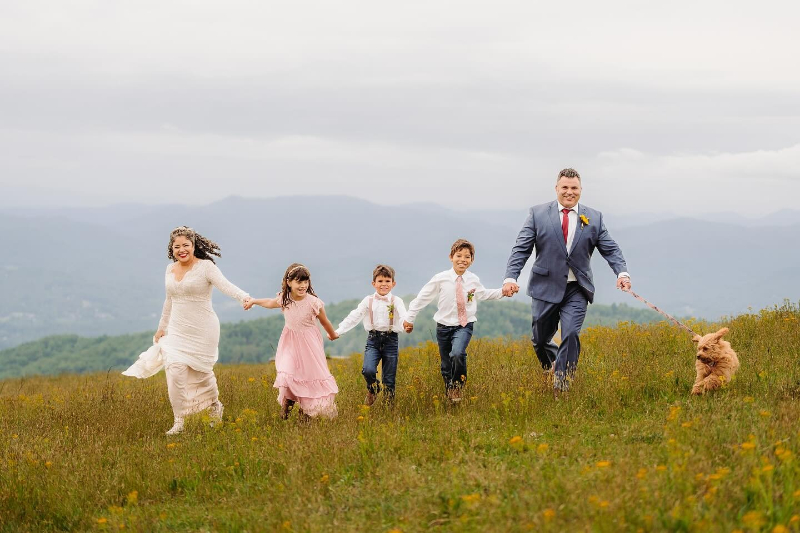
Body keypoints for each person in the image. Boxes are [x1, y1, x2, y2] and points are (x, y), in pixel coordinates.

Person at [503, 168, 631, 395]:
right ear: (556, 188)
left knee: (570, 334)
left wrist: (622, 274)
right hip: (545, 286)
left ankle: (561, 385)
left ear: (581, 190)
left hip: (577, 288)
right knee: (540, 339)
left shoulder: (594, 217)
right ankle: (552, 365)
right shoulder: (537, 214)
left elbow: (611, 249)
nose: (569, 192)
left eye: (574, 188)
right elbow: (521, 249)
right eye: (565, 187)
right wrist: (511, 277)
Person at [123, 226, 251, 435]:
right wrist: (161, 327)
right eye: (177, 247)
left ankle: (214, 406)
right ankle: (179, 420)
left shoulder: (206, 267)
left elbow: (225, 285)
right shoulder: (169, 269)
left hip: (204, 329)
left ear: (193, 246)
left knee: (202, 372)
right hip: (177, 329)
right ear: (171, 249)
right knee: (175, 370)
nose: (181, 250)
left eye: (185, 245)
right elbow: (169, 300)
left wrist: (244, 297)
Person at [403, 239, 507, 402]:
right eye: (459, 255)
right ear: (451, 257)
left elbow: (483, 294)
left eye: (467, 256)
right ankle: (450, 393)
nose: (462, 260)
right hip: (443, 326)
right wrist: (410, 318)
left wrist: (503, 292)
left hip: (464, 325)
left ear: (472, 260)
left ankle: (458, 386)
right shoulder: (441, 278)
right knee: (446, 364)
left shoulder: (473, 279)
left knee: (457, 353)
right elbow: (423, 297)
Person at [244, 263, 338, 419]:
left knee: (308, 376)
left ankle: (306, 412)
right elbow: (270, 302)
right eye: (299, 282)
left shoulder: (313, 302)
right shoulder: (285, 299)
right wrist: (254, 301)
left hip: (309, 345)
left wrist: (332, 334)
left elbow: (324, 321)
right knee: (288, 373)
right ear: (289, 283)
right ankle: (287, 405)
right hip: (290, 343)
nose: (303, 286)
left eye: (305, 282)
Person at [330, 264, 408, 406]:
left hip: (391, 340)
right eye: (380, 281)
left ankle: (388, 409)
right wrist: (338, 331)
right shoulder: (368, 300)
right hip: (373, 340)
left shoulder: (397, 301)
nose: (384, 284)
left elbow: (403, 315)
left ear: (393, 284)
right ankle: (373, 388)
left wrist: (406, 324)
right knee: (368, 370)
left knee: (389, 379)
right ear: (374, 284)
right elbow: (354, 316)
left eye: (387, 281)